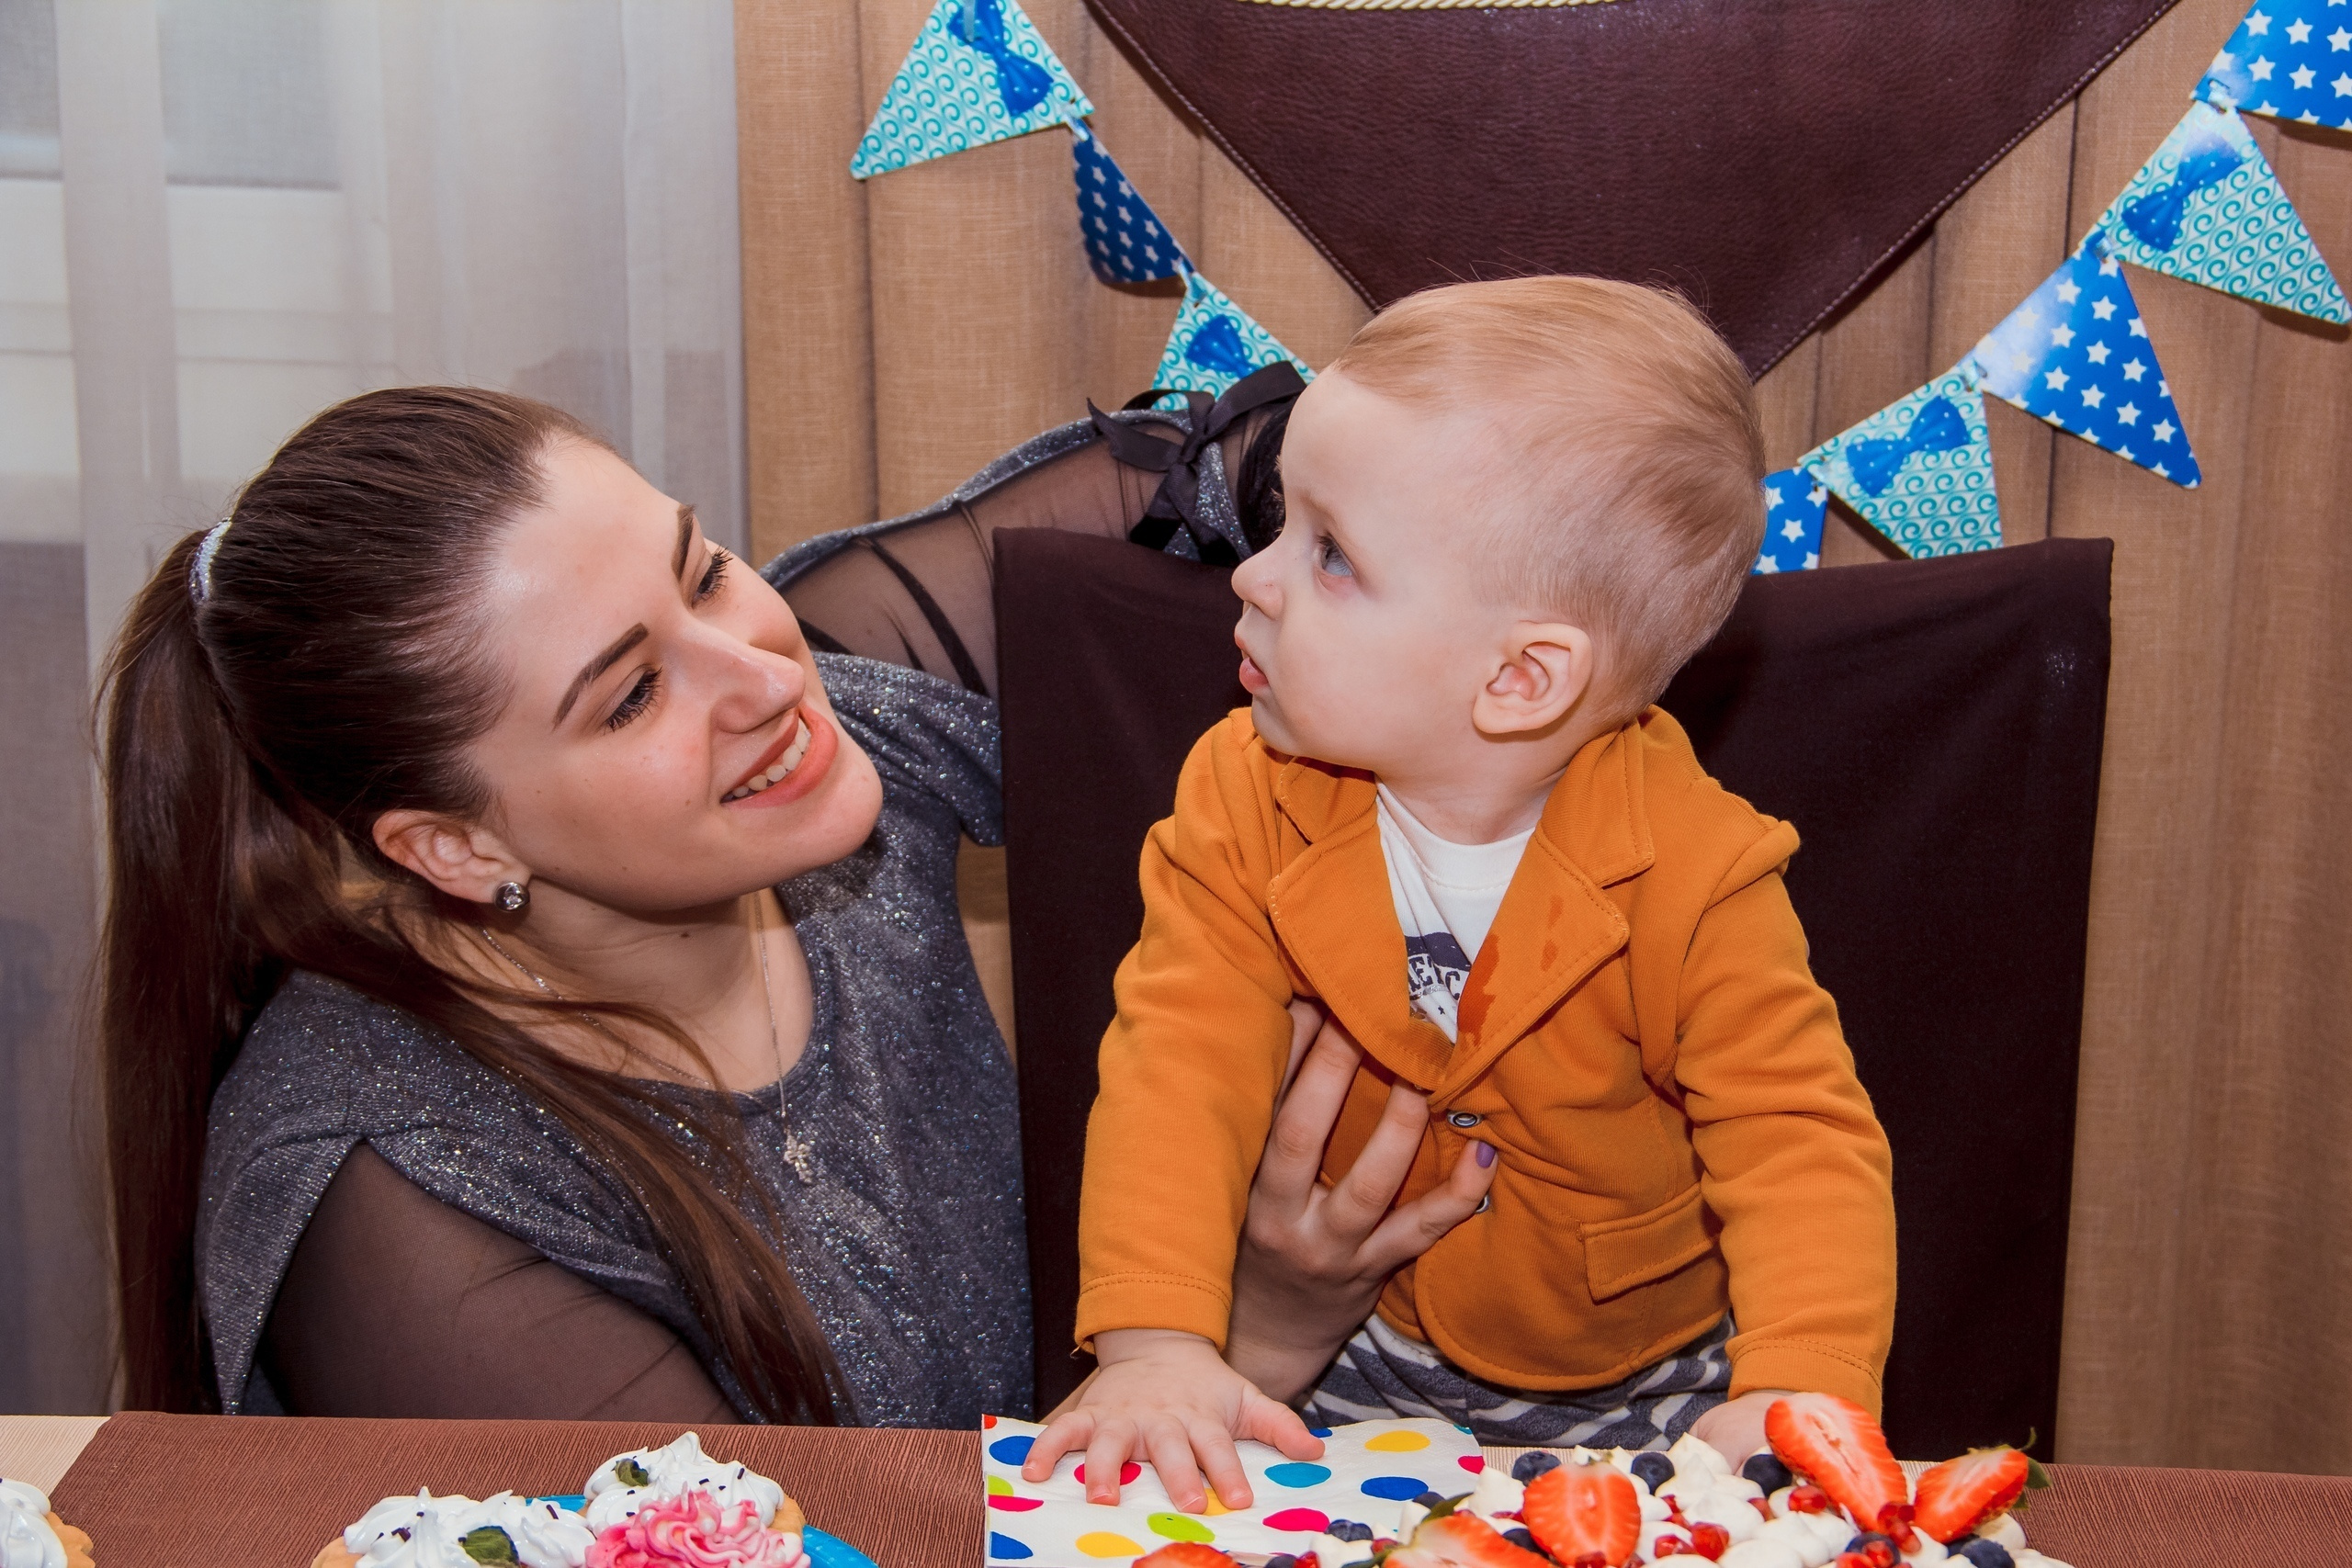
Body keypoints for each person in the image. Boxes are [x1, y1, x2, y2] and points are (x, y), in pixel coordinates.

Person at [96, 384, 1487, 1427]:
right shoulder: (396, 1202)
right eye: (632, 692)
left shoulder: (826, 744)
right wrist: (1255, 1337)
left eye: (701, 567)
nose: (764, 674)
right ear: (451, 849)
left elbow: (1203, 466)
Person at [1028, 277, 1899, 1509]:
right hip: (1357, 1347)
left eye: (1331, 556)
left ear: (1521, 678)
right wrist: (1157, 1343)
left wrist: (1801, 1380)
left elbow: (1798, 1137)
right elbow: (1178, 1060)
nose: (1252, 578)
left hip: (1637, 1367)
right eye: (1280, 524)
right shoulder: (1243, 793)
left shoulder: (1699, 871)